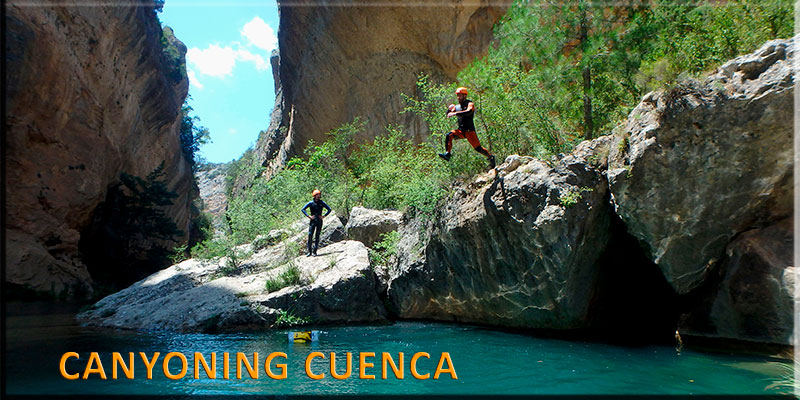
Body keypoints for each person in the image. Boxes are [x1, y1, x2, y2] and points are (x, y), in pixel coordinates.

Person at [438, 87, 496, 169]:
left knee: (478, 148)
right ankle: (448, 154)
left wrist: (455, 113)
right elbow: (448, 114)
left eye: (460, 96)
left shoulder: (470, 104)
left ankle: (491, 157)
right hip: (461, 131)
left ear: (464, 96)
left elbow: (469, 111)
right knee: (449, 135)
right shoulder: (457, 107)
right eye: (457, 96)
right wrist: (449, 110)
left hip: (469, 131)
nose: (458, 98)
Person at [301, 189, 331, 256]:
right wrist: (309, 216)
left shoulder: (322, 203)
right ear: (314, 196)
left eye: (319, 194)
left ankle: (315, 251)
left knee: (317, 236)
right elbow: (303, 209)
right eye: (317, 195)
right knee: (310, 235)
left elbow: (329, 209)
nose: (318, 196)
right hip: (313, 221)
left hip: (319, 221)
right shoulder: (311, 203)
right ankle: (309, 252)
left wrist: (324, 216)